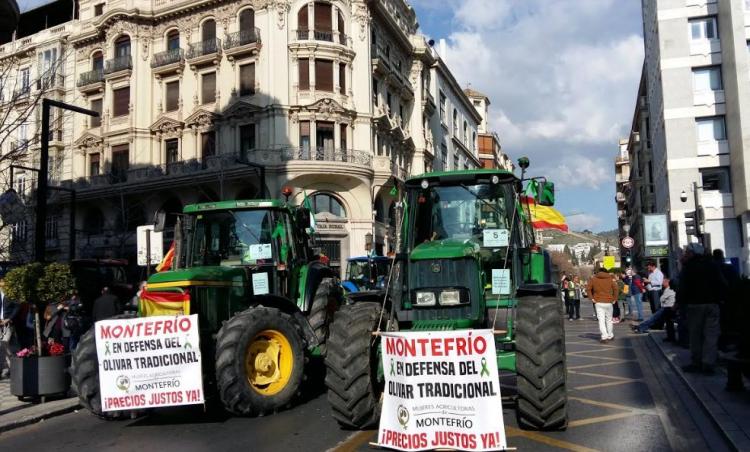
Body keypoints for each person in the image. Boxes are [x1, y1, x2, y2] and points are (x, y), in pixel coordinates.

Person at [678, 243, 727, 374]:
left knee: (695, 335)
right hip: (712, 304)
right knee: (711, 335)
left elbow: (682, 287)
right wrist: (720, 299)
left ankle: (697, 362)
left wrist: (680, 303)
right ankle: (708, 363)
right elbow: (722, 284)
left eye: (687, 252)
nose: (685, 254)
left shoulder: (688, 268)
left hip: (694, 305)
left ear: (693, 254)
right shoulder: (712, 265)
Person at [586, 267, 619, 343]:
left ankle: (604, 337)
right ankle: (610, 335)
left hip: (598, 302)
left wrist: (592, 298)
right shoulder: (610, 278)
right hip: (609, 302)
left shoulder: (593, 279)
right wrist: (615, 299)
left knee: (601, 320)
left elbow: (588, 289)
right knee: (609, 320)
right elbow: (616, 289)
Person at [0, 278, 19, 379]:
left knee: (5, 342)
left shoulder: (10, 294)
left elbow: (17, 307)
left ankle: (12, 367)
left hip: (7, 323)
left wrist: (9, 319)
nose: (2, 284)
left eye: (3, 282)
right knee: (3, 346)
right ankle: (8, 368)